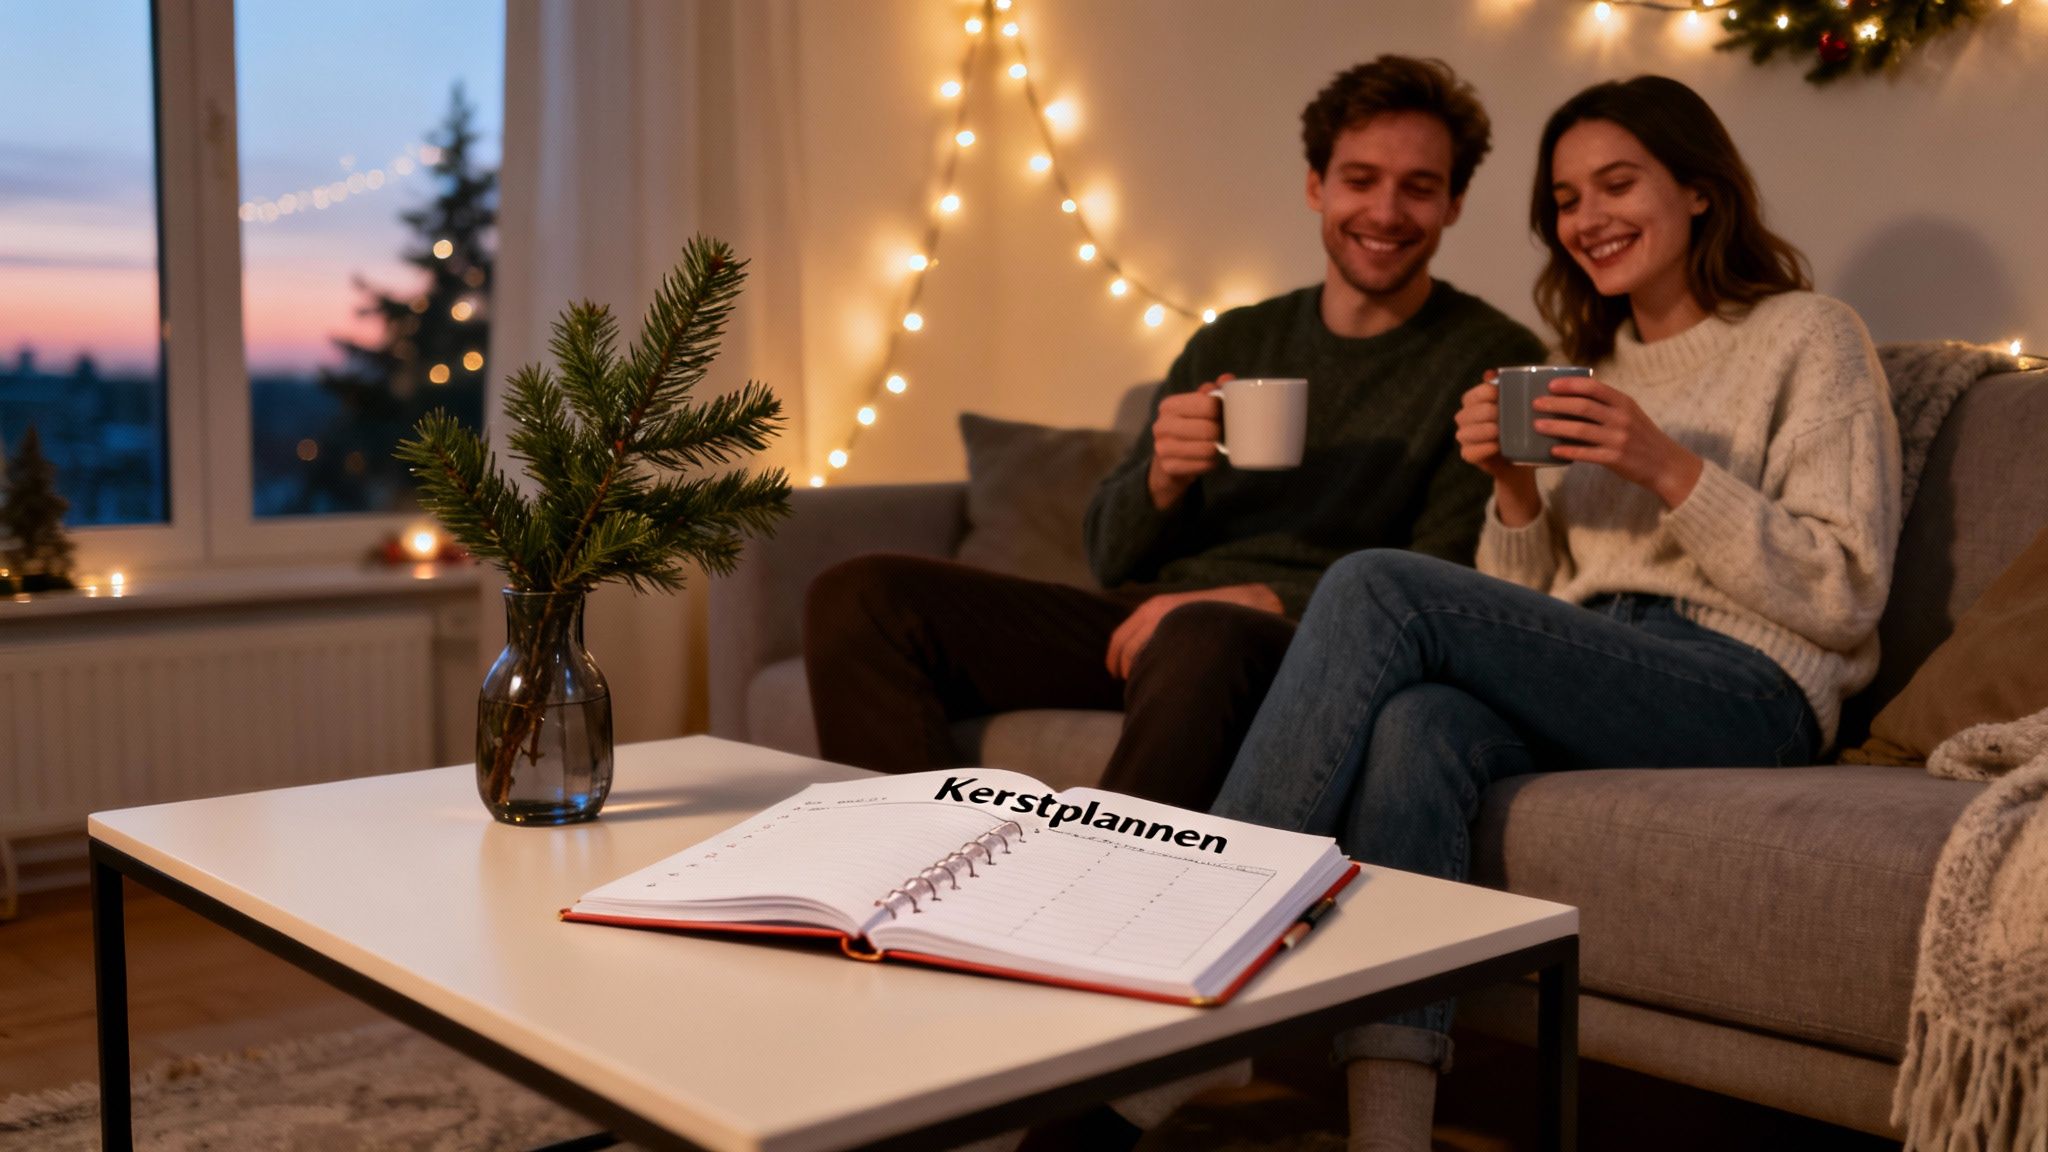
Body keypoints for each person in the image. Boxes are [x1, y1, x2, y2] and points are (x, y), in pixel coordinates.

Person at [1211, 75, 1902, 1151]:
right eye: (1566, 199)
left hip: (1745, 686)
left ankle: (1195, 940)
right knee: (1418, 725)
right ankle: (1386, 1134)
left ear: (1699, 191)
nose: (1587, 219)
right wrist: (1512, 488)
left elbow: (1842, 589)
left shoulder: (1807, 334)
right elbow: (1530, 609)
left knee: (1373, 581)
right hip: (1612, 661)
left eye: (1616, 184)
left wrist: (1667, 466)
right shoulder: (1593, 362)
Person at [804, 56, 1546, 813]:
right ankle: (903, 872)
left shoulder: (1486, 357)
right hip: (1157, 623)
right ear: (1316, 185)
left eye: (1418, 187)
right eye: (1360, 180)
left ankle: (1109, 899)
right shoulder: (1234, 340)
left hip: (1308, 644)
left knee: (1202, 636)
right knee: (861, 595)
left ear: (1453, 203)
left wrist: (1264, 599)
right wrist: (1161, 476)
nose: (1386, 213)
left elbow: (1438, 583)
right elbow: (1106, 557)